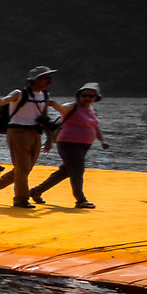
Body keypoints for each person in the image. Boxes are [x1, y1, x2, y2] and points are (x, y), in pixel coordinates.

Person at [0, 66, 58, 208]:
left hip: (35, 133)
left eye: (50, 77)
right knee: (23, 168)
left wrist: (50, 138)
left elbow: (44, 118)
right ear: (36, 79)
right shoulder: (19, 93)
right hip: (17, 132)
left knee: (24, 168)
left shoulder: (44, 96)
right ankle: (21, 199)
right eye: (46, 77)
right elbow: (4, 101)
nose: (50, 80)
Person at [28, 81, 102, 209]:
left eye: (91, 96)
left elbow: (95, 127)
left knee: (66, 171)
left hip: (84, 146)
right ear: (79, 95)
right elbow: (62, 110)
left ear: (96, 98)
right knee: (78, 170)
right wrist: (55, 105)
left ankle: (36, 191)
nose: (87, 98)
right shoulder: (72, 106)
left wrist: (102, 140)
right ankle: (80, 199)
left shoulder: (92, 110)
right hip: (69, 143)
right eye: (84, 95)